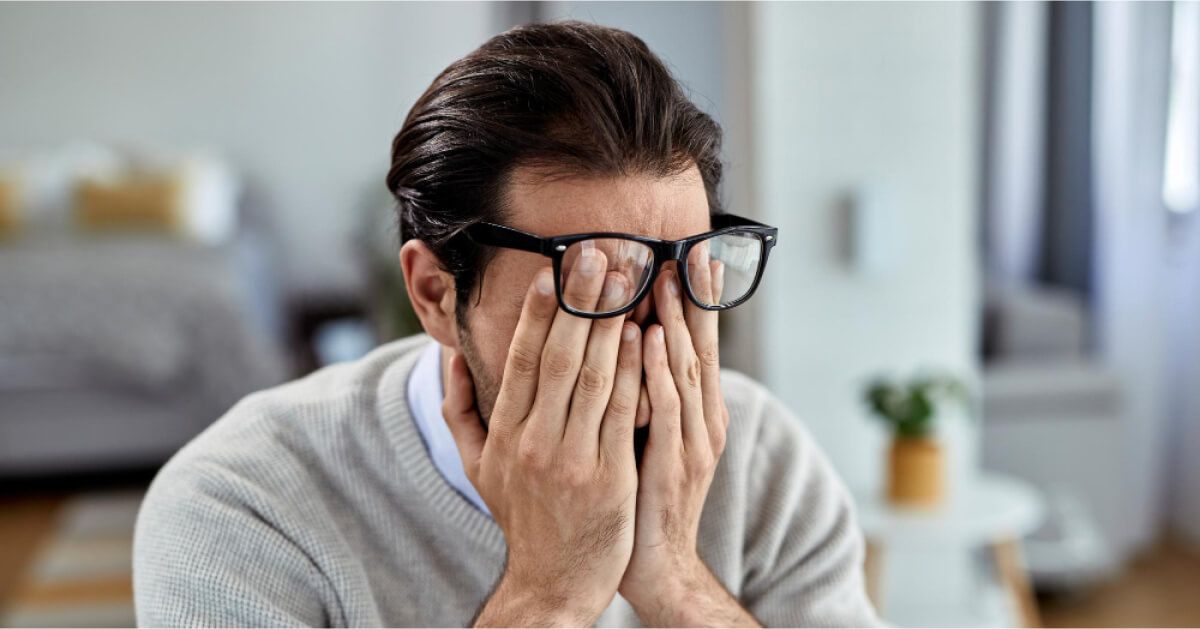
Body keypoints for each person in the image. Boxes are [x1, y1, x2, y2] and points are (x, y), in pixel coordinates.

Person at [134, 21, 880, 628]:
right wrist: (548, 596)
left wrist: (681, 587)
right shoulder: (240, 504)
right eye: (594, 284)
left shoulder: (763, 459)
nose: (653, 336)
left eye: (682, 269)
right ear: (434, 293)